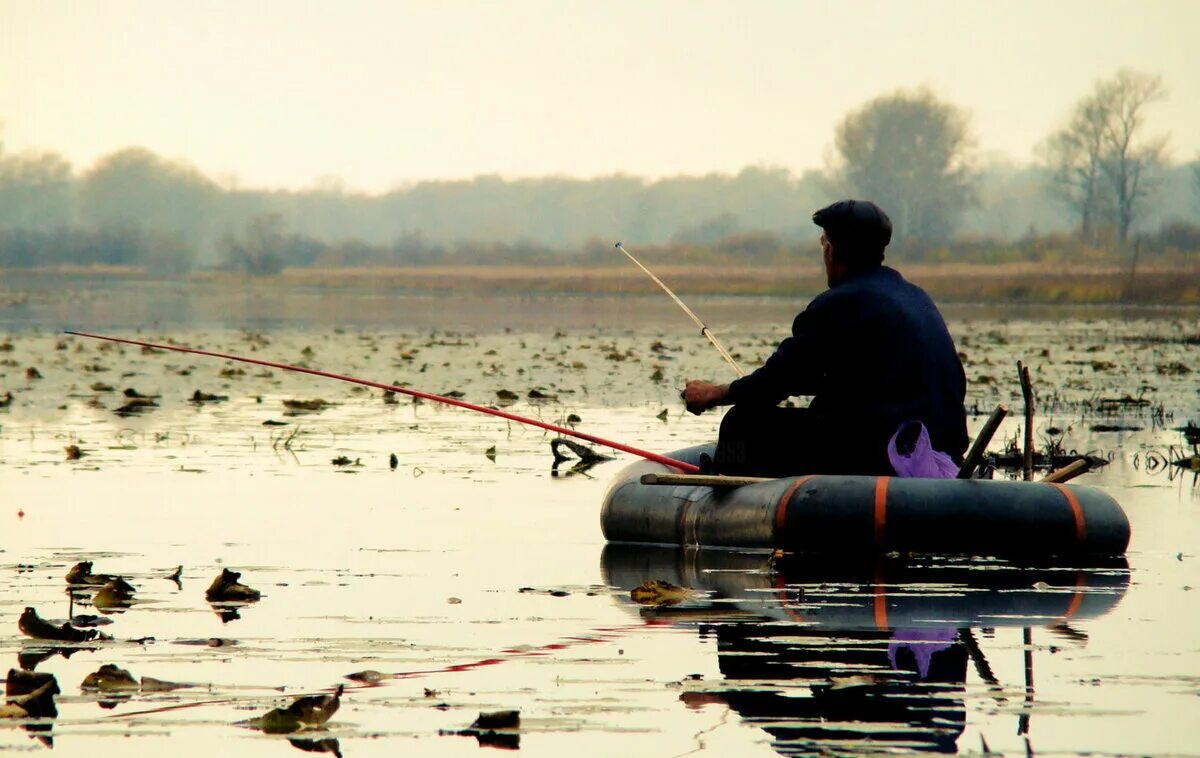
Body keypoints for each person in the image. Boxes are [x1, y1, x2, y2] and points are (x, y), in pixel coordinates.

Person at [681, 200, 967, 477]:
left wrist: (712, 393)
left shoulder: (839, 303)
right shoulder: (917, 297)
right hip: (943, 448)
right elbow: (831, 377)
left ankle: (724, 485)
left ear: (830, 249)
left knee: (741, 424)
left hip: (881, 454)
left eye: (823, 244)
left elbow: (778, 380)